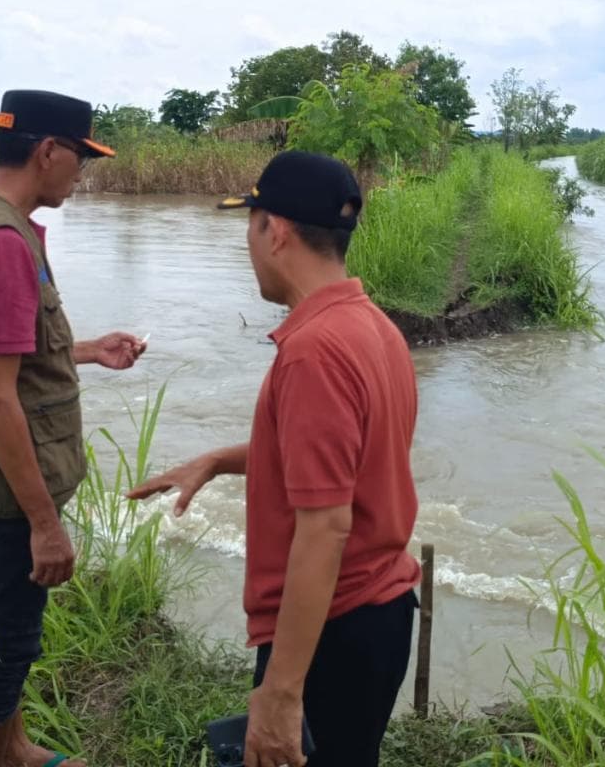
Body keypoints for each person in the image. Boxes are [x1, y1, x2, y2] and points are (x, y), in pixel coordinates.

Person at [129, 150, 421, 767]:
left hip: (331, 627)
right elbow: (352, 461)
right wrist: (219, 459)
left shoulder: (314, 350)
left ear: (276, 230)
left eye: (250, 223)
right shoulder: (373, 327)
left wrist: (283, 692)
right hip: (377, 613)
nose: (249, 242)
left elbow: (326, 526)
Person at [0, 89, 146, 767]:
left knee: (10, 626)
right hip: (9, 489)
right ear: (47, 151)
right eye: (82, 157)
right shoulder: (2, 244)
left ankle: (17, 748)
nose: (83, 173)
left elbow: (3, 352)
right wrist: (44, 524)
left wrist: (87, 350)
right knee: (11, 643)